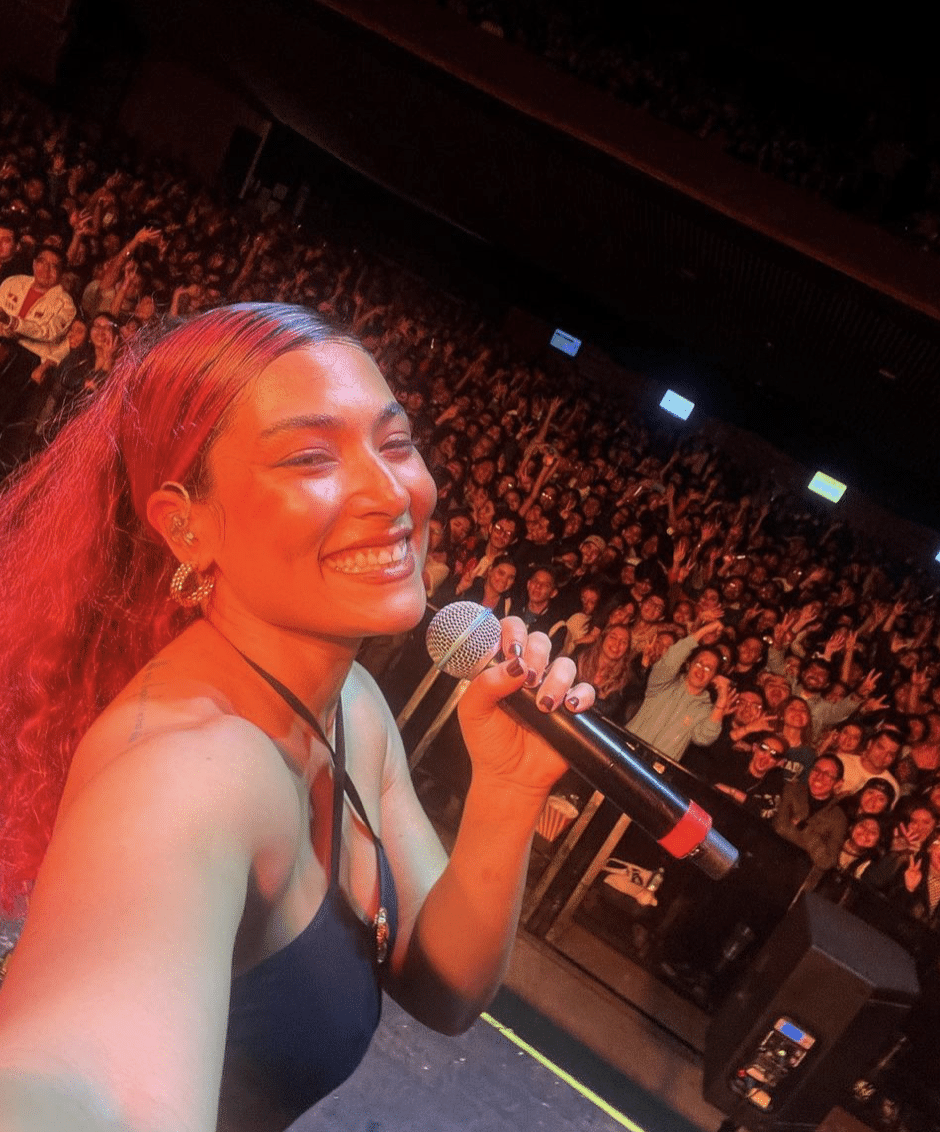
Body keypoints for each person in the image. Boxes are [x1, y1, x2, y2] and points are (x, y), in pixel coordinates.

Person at [0, 304, 594, 1132]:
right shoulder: (188, 775)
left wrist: (507, 787)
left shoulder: (351, 704)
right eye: (312, 457)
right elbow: (84, 1086)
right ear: (185, 523)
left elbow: (445, 985)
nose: (392, 494)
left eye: (395, 443)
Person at [624, 621, 731, 762]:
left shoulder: (705, 710)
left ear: (714, 677)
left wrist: (722, 700)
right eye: (698, 663)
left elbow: (704, 738)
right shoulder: (663, 683)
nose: (701, 670)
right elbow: (671, 658)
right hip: (625, 749)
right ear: (688, 664)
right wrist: (703, 631)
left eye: (708, 669)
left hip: (654, 771)